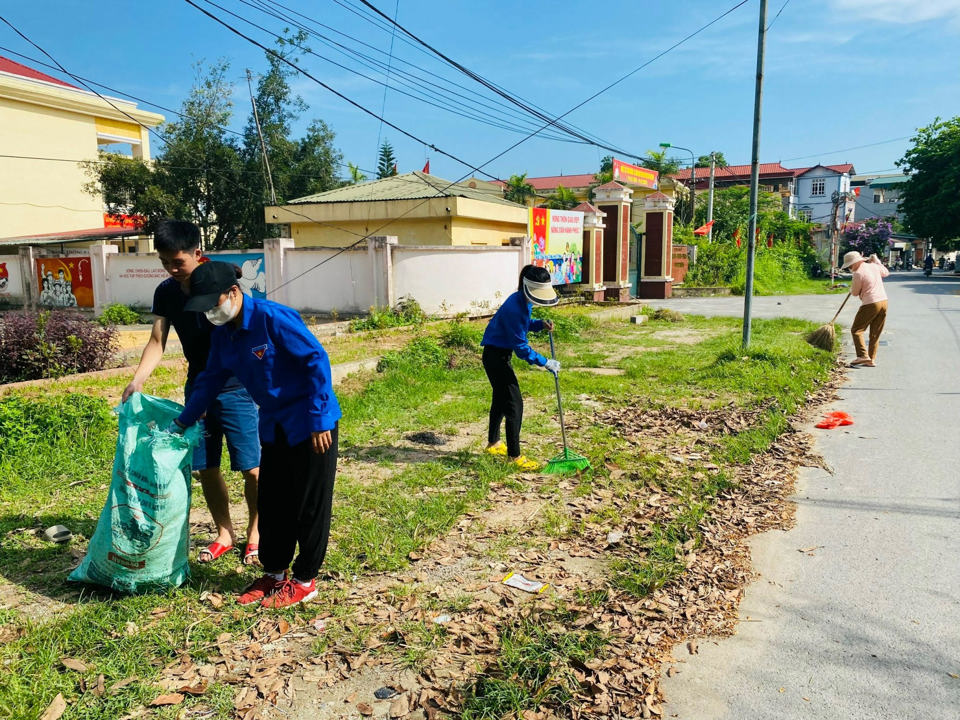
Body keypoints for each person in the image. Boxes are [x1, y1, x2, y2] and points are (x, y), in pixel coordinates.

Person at [169, 261, 341, 609]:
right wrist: (182, 421)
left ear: (233, 293)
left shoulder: (274, 318)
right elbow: (210, 380)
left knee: (310, 503)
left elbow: (316, 360)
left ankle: (305, 579)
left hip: (310, 423)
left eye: (211, 304)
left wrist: (320, 417)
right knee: (274, 501)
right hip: (274, 425)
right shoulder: (223, 334)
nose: (209, 313)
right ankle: (274, 572)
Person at [122, 220, 261, 565]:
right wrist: (138, 379)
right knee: (206, 467)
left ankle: (256, 534)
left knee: (252, 467)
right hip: (199, 384)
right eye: (164, 262)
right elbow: (158, 340)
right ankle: (224, 532)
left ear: (197, 254)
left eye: (177, 262)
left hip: (237, 385)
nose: (171, 269)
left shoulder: (221, 284)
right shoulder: (166, 292)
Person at [480, 264, 560, 470]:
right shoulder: (515, 307)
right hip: (495, 357)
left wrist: (539, 324)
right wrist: (545, 362)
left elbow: (523, 324)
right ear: (527, 286)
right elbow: (521, 348)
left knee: (500, 398)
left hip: (497, 355)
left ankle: (493, 443)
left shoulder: (522, 300)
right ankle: (514, 456)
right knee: (514, 404)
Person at [842, 250, 889, 368]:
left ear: (856, 262)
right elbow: (886, 272)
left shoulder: (858, 273)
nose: (850, 268)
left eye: (850, 265)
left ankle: (862, 355)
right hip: (883, 301)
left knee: (856, 330)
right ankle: (871, 359)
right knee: (875, 333)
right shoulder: (874, 266)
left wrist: (852, 288)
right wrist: (877, 261)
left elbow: (855, 292)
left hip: (870, 303)